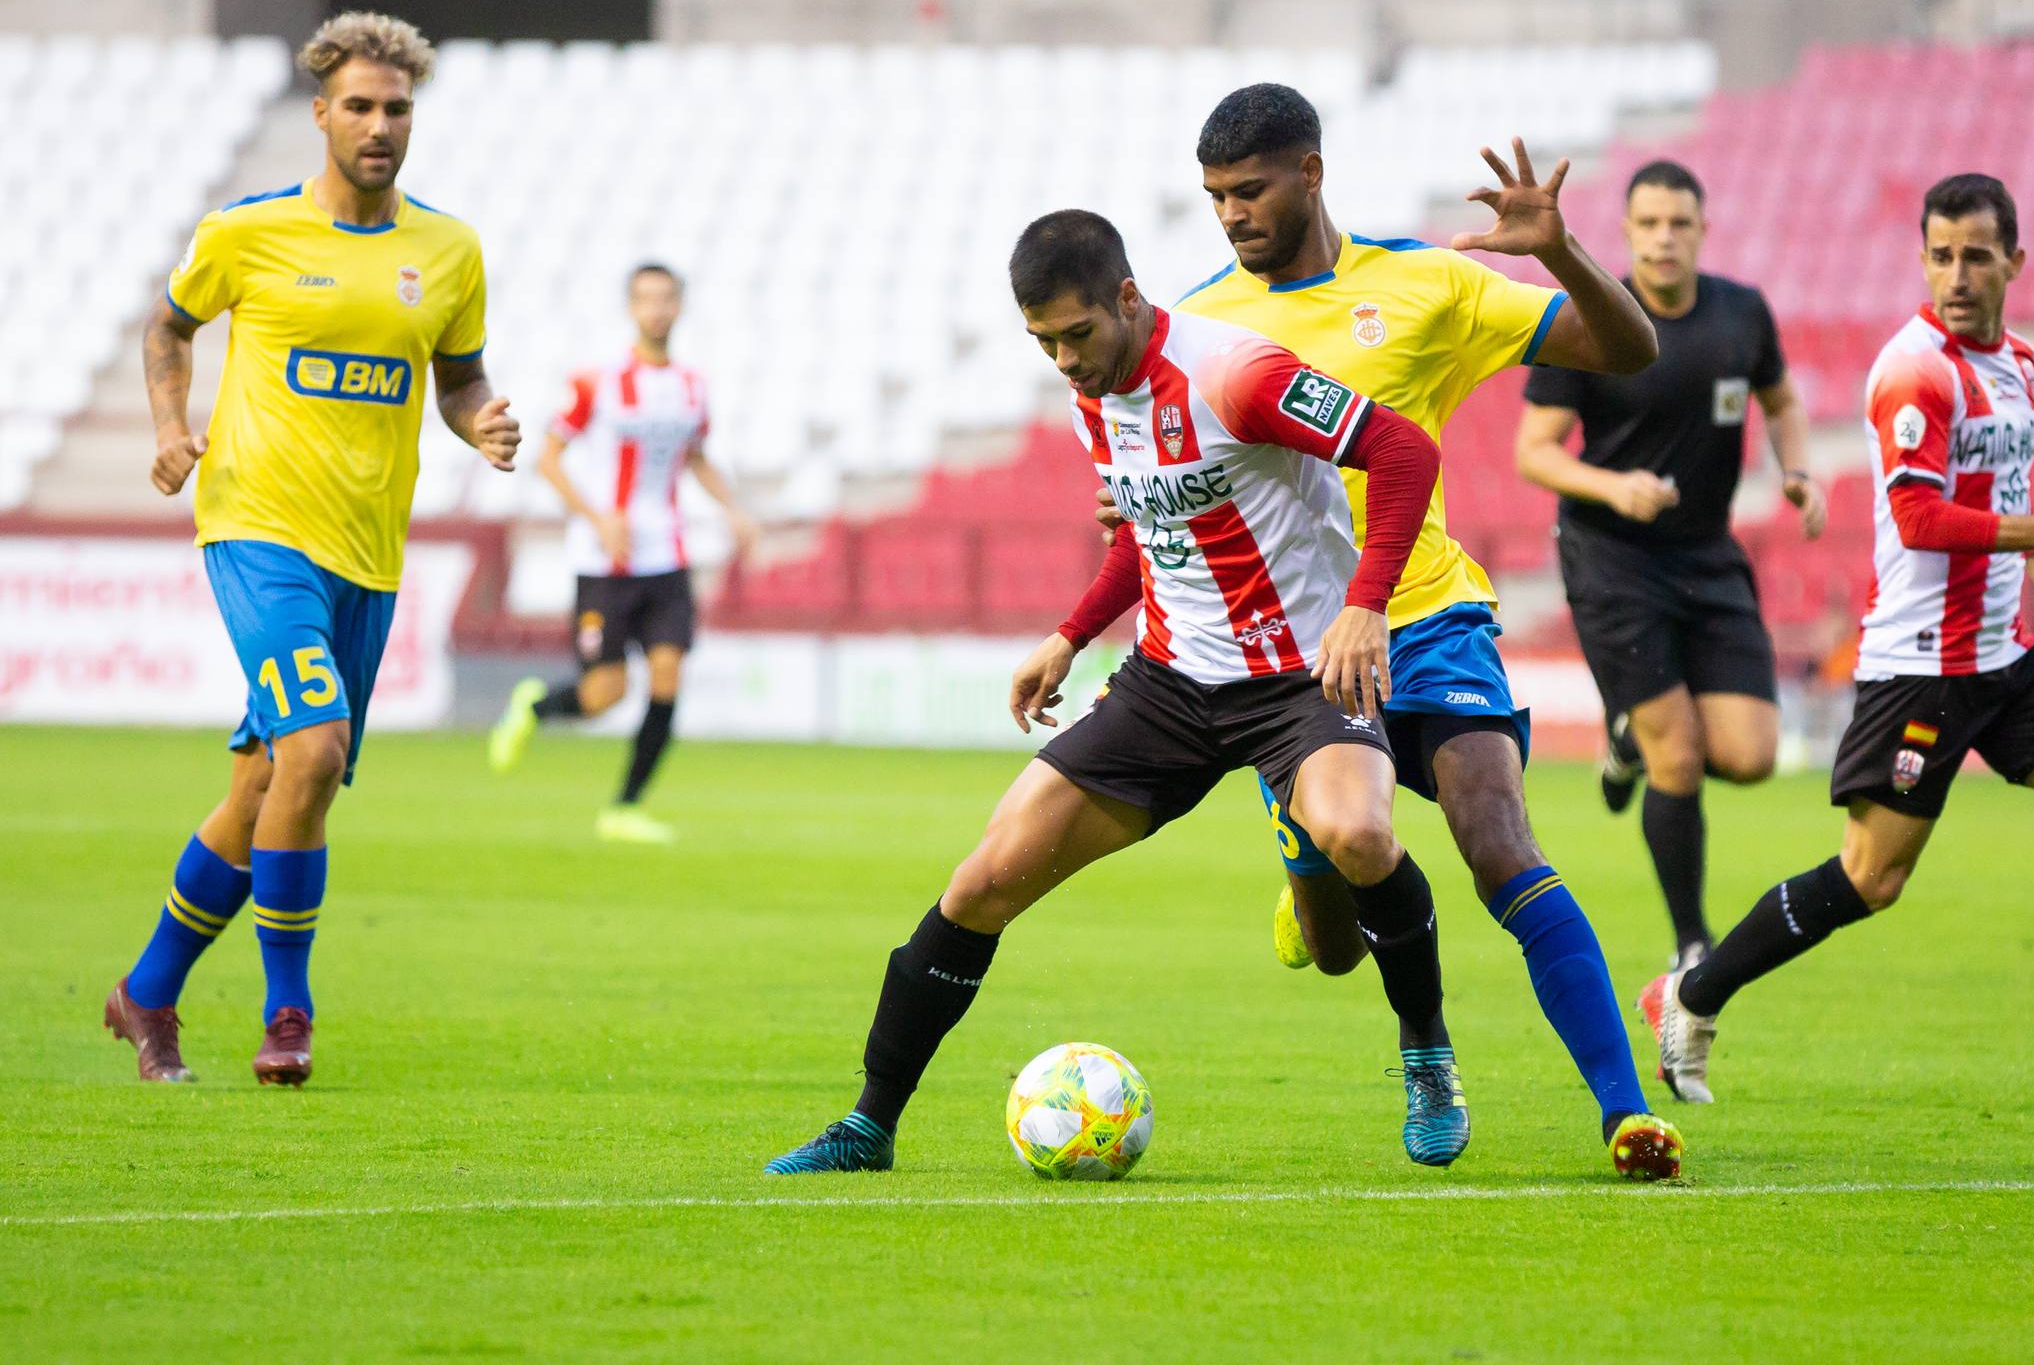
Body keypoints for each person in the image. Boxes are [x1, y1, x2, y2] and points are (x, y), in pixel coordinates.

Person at [767, 209, 1475, 1174]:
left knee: (1357, 837)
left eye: (1075, 333)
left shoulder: (1240, 374)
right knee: (980, 882)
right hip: (1169, 684)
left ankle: (1427, 1056)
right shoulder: (1093, 392)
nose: (1063, 359)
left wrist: (1365, 605)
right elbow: (1153, 532)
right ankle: (867, 1125)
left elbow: (1403, 452)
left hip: (1301, 679)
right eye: (1043, 342)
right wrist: (1069, 635)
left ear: (1129, 301)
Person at [1640, 174, 2034, 1104]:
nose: (1956, 274)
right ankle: (1690, 996)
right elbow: (1922, 518)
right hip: (1921, 669)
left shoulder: (2018, 362)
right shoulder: (1912, 371)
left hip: (2005, 656)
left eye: (1976, 256)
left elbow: (2003, 494)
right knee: (1870, 878)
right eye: (1940, 256)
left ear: (2014, 262)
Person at [1140, 83, 1680, 1176]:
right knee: (1335, 941)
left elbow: (1629, 352)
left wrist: (1564, 253)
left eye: (1249, 191)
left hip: (1428, 617)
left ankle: (1626, 1114)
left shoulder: (1424, 283)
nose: (1233, 214)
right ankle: (1385, 978)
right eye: (1215, 198)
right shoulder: (1197, 327)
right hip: (1294, 657)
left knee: (1500, 841)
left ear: (1311, 174)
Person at [104, 13, 519, 1085]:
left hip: (369, 558)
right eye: (362, 108)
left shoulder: (449, 250)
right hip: (257, 530)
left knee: (268, 784)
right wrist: (168, 428)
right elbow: (167, 328)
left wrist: (482, 422)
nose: (382, 127)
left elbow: (460, 378)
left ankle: (146, 995)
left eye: (398, 109)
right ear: (322, 113)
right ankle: (289, 1015)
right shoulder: (248, 233)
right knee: (319, 751)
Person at [1514, 159, 1822, 969]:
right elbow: (1535, 454)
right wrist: (1613, 487)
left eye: (1677, 223)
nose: (1662, 238)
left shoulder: (1741, 314)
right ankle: (1692, 944)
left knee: (1751, 756)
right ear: (1624, 232)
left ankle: (1626, 737)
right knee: (1677, 756)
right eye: (1647, 223)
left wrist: (1796, 471)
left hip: (1707, 553)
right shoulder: (1588, 320)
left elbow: (1782, 400)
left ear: (1700, 229)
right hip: (1610, 556)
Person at [484, 263, 758, 844]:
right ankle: (535, 706)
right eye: (646, 299)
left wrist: (734, 509)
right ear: (632, 308)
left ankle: (625, 807)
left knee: (667, 674)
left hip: (667, 559)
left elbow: (697, 456)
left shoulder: (692, 387)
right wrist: (598, 517)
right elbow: (549, 458)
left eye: (666, 298)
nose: (657, 308)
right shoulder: (597, 383)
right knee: (604, 695)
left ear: (679, 307)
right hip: (603, 562)